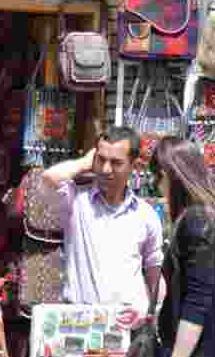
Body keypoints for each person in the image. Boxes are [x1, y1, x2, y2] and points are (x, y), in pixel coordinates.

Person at [42, 126, 163, 326]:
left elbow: (154, 270)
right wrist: (83, 163)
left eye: (116, 163)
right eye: (101, 160)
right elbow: (48, 178)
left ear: (134, 165)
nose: (106, 169)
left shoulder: (145, 215)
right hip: (81, 327)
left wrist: (155, 313)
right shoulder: (76, 202)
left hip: (129, 328)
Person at [151, 137, 215, 357]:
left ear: (169, 175)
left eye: (157, 178)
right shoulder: (212, 216)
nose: (157, 187)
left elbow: (196, 302)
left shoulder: (197, 220)